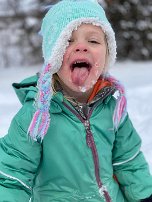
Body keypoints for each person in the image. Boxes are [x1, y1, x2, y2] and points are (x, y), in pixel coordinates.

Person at [0, 0, 152, 201]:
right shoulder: (36, 115)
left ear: (107, 56)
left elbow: (129, 161)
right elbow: (12, 176)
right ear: (52, 57)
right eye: (68, 41)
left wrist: (144, 196)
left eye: (94, 41)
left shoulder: (113, 107)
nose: (81, 47)